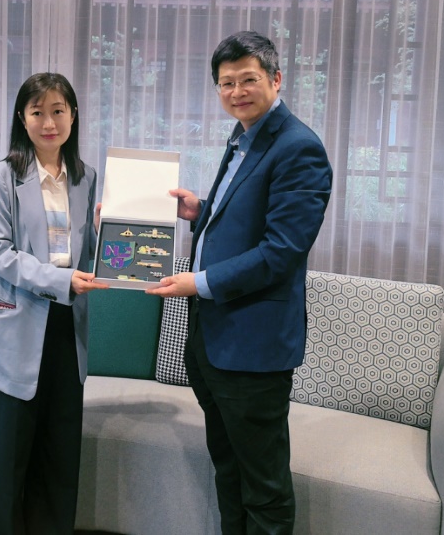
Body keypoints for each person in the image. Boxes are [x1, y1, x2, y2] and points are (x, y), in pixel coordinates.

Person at [146, 31, 332, 535]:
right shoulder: (244, 137)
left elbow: (281, 252)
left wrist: (198, 282)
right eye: (226, 83)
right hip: (214, 340)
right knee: (229, 469)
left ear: (276, 78)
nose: (236, 92)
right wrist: (200, 211)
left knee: (264, 488)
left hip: (253, 349)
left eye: (248, 79)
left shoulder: (298, 148)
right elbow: (246, 220)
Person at [0, 72, 108, 535]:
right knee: (12, 464)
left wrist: (110, 234)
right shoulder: (2, 177)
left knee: (60, 459)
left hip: (67, 328)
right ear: (22, 118)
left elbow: (88, 254)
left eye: (58, 111)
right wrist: (61, 281)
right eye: (38, 112)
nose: (49, 122)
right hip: (15, 329)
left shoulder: (86, 178)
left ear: (73, 115)